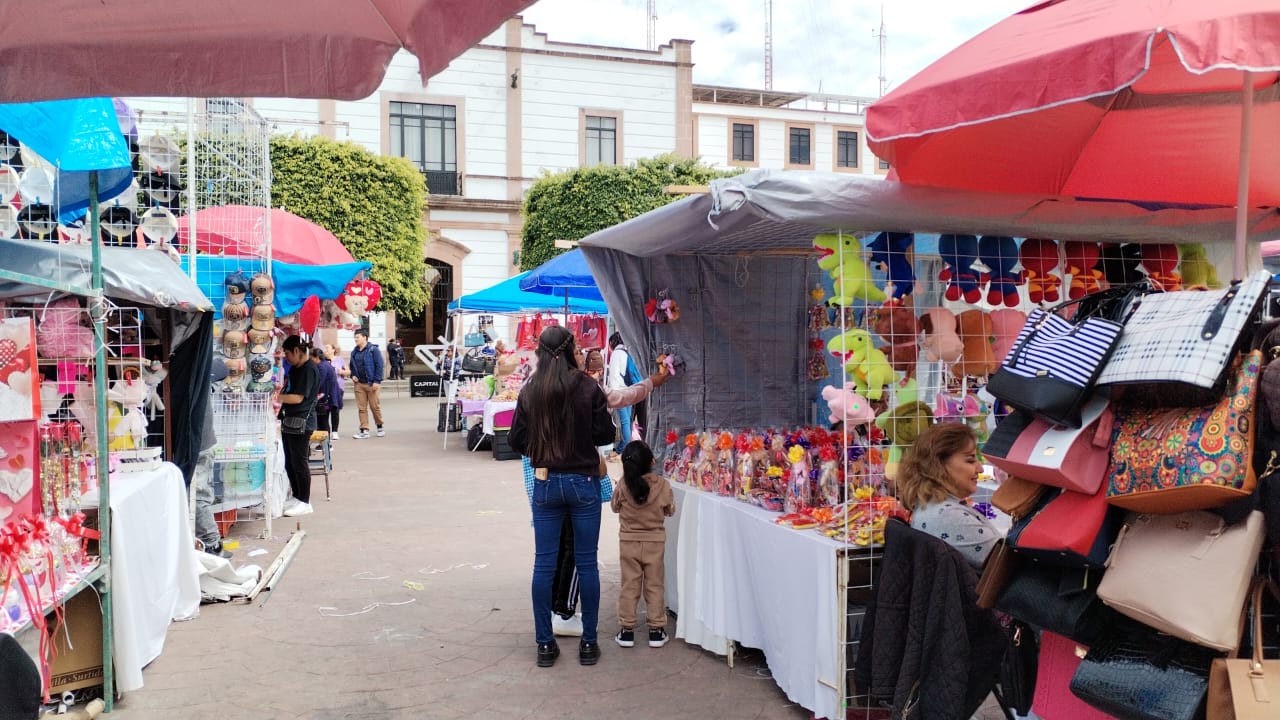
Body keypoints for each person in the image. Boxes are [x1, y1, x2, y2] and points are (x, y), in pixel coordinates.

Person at [508, 326, 615, 668]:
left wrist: (542, 450)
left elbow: (516, 439)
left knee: (544, 563)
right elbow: (605, 433)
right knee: (586, 563)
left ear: (539, 351)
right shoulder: (588, 387)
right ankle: (588, 643)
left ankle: (544, 644)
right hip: (583, 482)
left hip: (546, 482)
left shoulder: (531, 389)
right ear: (572, 351)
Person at [899, 423, 1002, 569]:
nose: (979, 469)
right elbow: (1007, 563)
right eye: (970, 459)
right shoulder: (947, 516)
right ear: (938, 464)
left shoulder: (934, 508)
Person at [611, 440, 675, 649]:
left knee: (629, 585)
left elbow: (614, 507)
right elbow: (670, 510)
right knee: (654, 586)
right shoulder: (663, 485)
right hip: (655, 544)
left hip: (628, 543)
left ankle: (626, 631)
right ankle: (656, 631)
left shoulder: (623, 484)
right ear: (651, 461)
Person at [279, 335, 320, 517]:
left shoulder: (309, 369)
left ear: (296, 350)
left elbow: (298, 397)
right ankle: (297, 496)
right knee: (290, 462)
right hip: (290, 420)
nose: (286, 357)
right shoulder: (296, 369)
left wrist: (276, 397)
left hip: (303, 422)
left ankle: (305, 500)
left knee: (300, 462)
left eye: (287, 353)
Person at [348, 329, 385, 438]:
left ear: (365, 337)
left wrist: (377, 381)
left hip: (371, 383)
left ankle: (380, 426)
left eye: (358, 337)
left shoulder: (373, 350)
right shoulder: (354, 352)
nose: (356, 339)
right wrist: (353, 375)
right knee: (361, 408)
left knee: (374, 406)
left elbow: (380, 365)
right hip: (359, 384)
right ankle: (364, 430)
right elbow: (352, 366)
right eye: (355, 337)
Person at [606, 332, 633, 457]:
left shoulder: (616, 354)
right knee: (627, 421)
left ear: (612, 343)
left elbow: (613, 376)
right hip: (630, 391)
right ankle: (625, 445)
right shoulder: (627, 352)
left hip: (619, 392)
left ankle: (624, 447)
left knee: (624, 422)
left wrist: (611, 393)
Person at [311, 347, 342, 447]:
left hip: (326, 398)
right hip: (328, 397)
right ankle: (325, 444)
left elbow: (319, 382)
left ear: (316, 358)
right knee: (323, 421)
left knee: (323, 421)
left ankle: (326, 444)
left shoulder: (322, 367)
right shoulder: (324, 365)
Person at [324, 343, 348, 440]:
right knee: (325, 410)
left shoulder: (340, 360)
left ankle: (335, 431)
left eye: (327, 348)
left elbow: (348, 371)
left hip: (338, 388)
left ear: (333, 350)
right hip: (326, 388)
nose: (326, 350)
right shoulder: (323, 360)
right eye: (325, 348)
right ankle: (326, 432)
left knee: (335, 409)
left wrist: (340, 371)